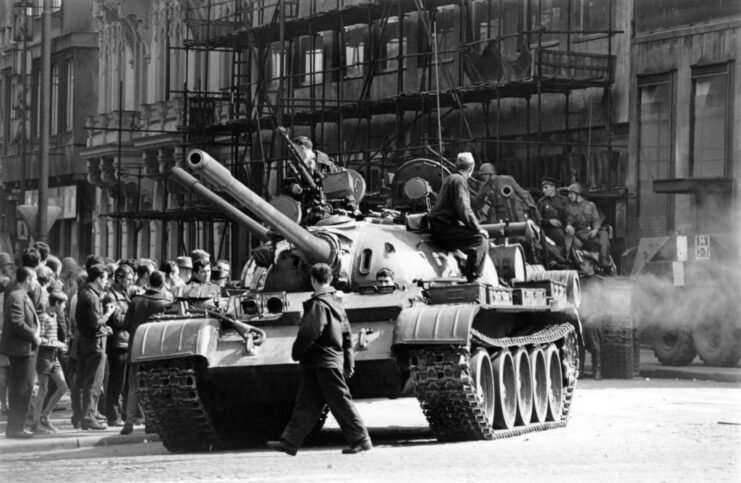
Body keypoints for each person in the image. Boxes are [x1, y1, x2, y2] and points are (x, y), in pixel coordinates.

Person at [267, 263, 371, 456]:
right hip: (325, 361)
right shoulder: (336, 302)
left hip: (322, 360)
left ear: (313, 280)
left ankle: (361, 439)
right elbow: (347, 334)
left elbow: (310, 331)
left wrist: (296, 352)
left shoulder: (319, 304)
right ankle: (290, 441)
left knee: (339, 401)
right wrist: (349, 361)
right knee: (307, 403)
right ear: (330, 279)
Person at [120, 271, 173, 435]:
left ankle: (128, 424)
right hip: (156, 351)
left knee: (133, 388)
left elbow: (126, 325)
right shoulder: (166, 302)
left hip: (136, 348)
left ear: (149, 282)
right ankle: (150, 423)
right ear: (163, 284)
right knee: (153, 388)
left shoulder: (136, 301)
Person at [427, 152, 489, 282]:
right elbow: (463, 209)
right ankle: (472, 276)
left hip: (438, 227)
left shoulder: (450, 178)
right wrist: (478, 229)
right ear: (470, 168)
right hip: (445, 229)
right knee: (480, 240)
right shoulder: (460, 180)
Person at [0, 267, 41, 439]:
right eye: (34, 279)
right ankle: (15, 428)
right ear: (27, 279)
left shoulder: (22, 295)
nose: (36, 282)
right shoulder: (17, 296)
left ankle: (17, 426)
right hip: (21, 350)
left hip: (24, 349)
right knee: (21, 388)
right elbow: (16, 322)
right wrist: (33, 334)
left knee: (24, 387)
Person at [76, 263, 115, 430]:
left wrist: (104, 328)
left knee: (93, 381)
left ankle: (91, 413)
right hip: (94, 343)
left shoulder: (85, 293)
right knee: (92, 382)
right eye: (105, 279)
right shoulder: (91, 297)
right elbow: (94, 322)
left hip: (90, 340)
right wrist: (109, 313)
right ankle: (88, 416)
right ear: (98, 278)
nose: (106, 283)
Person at [30, 291, 69, 433]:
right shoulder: (44, 317)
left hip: (53, 356)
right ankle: (35, 424)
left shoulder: (54, 316)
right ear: (57, 303)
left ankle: (44, 416)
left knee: (63, 387)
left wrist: (59, 344)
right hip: (44, 356)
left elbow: (50, 338)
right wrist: (57, 344)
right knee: (43, 389)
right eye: (63, 304)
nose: (64, 307)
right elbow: (38, 339)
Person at [104, 264, 134, 426]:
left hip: (125, 341)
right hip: (118, 342)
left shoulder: (123, 294)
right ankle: (113, 415)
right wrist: (132, 318)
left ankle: (119, 413)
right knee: (116, 381)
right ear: (119, 278)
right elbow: (117, 320)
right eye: (128, 279)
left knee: (123, 382)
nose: (131, 282)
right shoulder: (111, 296)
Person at [473, 163, 538, 224]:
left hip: (514, 210)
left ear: (490, 173)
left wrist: (528, 203)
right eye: (481, 175)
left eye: (484, 174)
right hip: (499, 213)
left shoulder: (507, 179)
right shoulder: (484, 187)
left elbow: (520, 192)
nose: (482, 177)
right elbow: (478, 201)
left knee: (520, 229)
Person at [564, 183, 611, 267]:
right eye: (569, 193)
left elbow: (596, 220)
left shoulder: (591, 205)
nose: (569, 196)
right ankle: (602, 261)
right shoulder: (570, 207)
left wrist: (596, 230)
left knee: (604, 233)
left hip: (591, 232)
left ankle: (604, 259)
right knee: (602, 242)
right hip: (581, 233)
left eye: (571, 193)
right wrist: (568, 225)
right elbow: (569, 220)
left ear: (577, 194)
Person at [577, 253, 605, 380]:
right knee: (578, 332)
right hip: (582, 315)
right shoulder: (579, 281)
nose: (582, 266)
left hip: (596, 315)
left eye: (584, 264)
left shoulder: (599, 281)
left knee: (591, 327)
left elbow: (603, 302)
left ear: (592, 266)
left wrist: (592, 314)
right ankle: (580, 370)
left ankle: (597, 370)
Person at [537, 176, 569, 263]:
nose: (544, 190)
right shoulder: (541, 202)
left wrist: (568, 225)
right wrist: (549, 222)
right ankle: (564, 260)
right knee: (562, 239)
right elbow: (538, 220)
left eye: (546, 187)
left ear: (553, 187)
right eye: (543, 188)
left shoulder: (563, 201)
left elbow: (567, 216)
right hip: (548, 229)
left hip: (562, 228)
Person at [0, 252, 15, 415]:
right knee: (5, 373)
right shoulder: (10, 285)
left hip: (6, 333)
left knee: (5, 373)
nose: (8, 269)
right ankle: (5, 404)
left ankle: (4, 404)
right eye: (6, 266)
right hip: (6, 334)